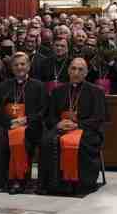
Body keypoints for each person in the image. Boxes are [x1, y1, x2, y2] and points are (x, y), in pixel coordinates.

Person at [39, 56, 107, 196]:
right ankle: (53, 183)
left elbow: (99, 118)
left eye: (80, 69)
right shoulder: (58, 91)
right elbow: (50, 116)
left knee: (80, 143)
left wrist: (77, 125)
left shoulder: (96, 92)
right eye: (73, 69)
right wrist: (58, 123)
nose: (76, 72)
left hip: (86, 130)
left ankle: (78, 184)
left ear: (86, 73)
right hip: (61, 128)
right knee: (47, 140)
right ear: (68, 71)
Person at [0, 52, 47, 194]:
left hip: (31, 126)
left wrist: (26, 120)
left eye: (22, 64)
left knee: (23, 139)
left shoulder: (38, 86)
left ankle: (20, 179)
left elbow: (43, 110)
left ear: (28, 66)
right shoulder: (4, 86)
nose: (19, 67)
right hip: (9, 124)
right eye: (16, 65)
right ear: (11, 68)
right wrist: (10, 122)